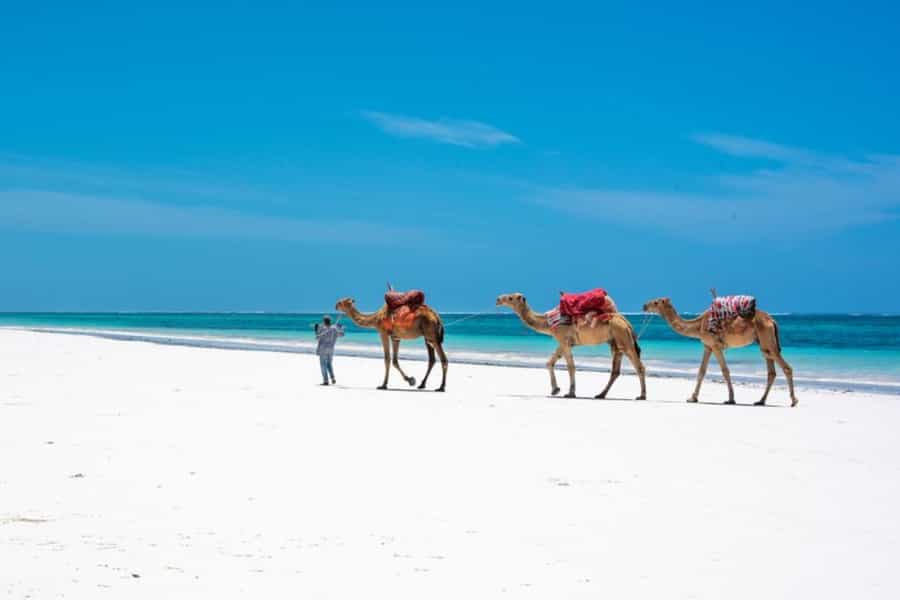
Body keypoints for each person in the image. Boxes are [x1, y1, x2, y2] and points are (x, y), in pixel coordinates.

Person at [315, 315, 344, 385]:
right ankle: (333, 378)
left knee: (323, 365)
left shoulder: (322, 328)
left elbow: (317, 337)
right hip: (331, 349)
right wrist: (341, 328)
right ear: (330, 321)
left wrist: (316, 329)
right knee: (329, 364)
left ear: (324, 322)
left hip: (323, 349)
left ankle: (326, 381)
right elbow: (342, 334)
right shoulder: (334, 329)